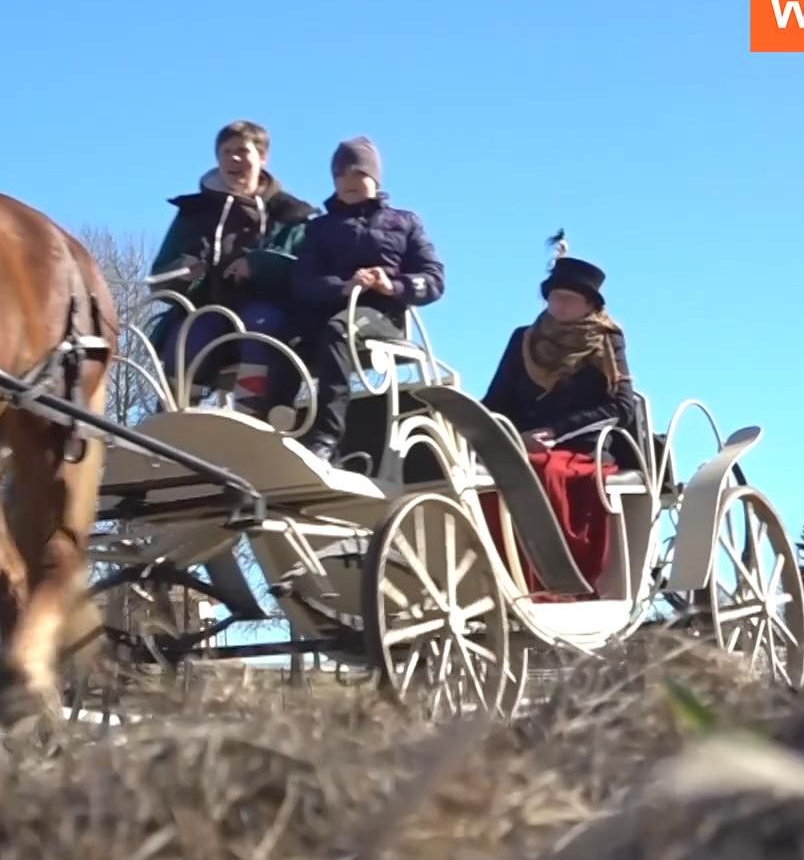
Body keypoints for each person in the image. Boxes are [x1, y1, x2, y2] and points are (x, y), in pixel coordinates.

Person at [479, 253, 640, 593]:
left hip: (582, 450)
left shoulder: (607, 341)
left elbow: (620, 406)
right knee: (482, 476)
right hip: (520, 444)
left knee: (541, 471)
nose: (558, 305)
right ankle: (500, 576)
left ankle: (559, 582)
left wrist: (555, 433)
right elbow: (497, 400)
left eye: (568, 299)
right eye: (554, 297)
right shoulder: (523, 338)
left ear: (588, 305)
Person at [280, 135, 445, 461]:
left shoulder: (405, 223)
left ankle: (327, 439)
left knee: (340, 331)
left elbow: (435, 280)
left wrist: (393, 286)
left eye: (358, 173)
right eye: (340, 174)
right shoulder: (319, 228)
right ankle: (273, 429)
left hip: (382, 316)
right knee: (281, 341)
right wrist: (342, 286)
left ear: (374, 178)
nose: (348, 181)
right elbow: (303, 281)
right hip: (325, 314)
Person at [143, 119, 315, 417]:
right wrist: (185, 272)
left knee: (260, 328)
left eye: (243, 151)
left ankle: (252, 419)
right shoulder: (195, 213)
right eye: (227, 151)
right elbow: (160, 276)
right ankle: (169, 424)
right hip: (207, 305)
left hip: (268, 309)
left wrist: (259, 266)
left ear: (262, 158)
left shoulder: (291, 213)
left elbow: (305, 271)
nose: (234, 159)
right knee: (192, 335)